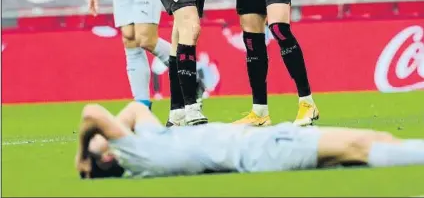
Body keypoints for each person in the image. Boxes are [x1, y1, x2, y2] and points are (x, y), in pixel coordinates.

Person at [75, 101, 424, 179]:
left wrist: (97, 148)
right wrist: (82, 153)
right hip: (259, 151)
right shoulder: (141, 154)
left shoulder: (154, 142)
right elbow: (93, 113)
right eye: (102, 145)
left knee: (370, 140)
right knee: (362, 146)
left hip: (264, 142)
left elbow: (135, 109)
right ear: (109, 155)